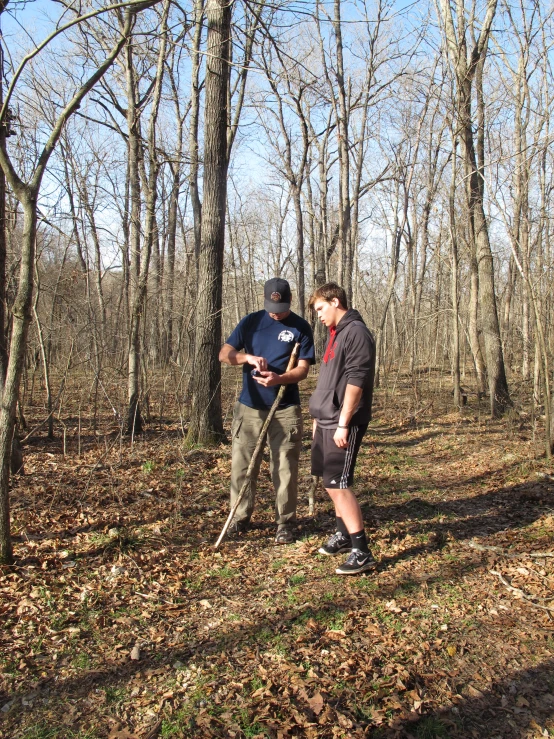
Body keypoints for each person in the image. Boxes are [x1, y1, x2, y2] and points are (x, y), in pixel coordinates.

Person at [219, 278, 315, 543]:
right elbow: (224, 354)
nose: (276, 311)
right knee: (241, 466)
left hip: (285, 409)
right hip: (249, 407)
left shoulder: (301, 327)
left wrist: (278, 379)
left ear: (290, 301)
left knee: (284, 467)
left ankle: (285, 522)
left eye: (281, 306)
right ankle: (239, 518)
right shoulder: (251, 322)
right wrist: (246, 358)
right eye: (272, 306)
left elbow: (303, 370)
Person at [308, 283, 376, 574]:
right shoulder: (335, 334)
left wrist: (343, 423)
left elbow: (356, 381)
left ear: (335, 301)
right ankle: (343, 534)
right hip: (325, 420)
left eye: (321, 309)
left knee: (339, 483)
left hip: (342, 422)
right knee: (328, 482)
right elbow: (328, 383)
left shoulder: (357, 333)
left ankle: (362, 551)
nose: (319, 316)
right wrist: (316, 419)